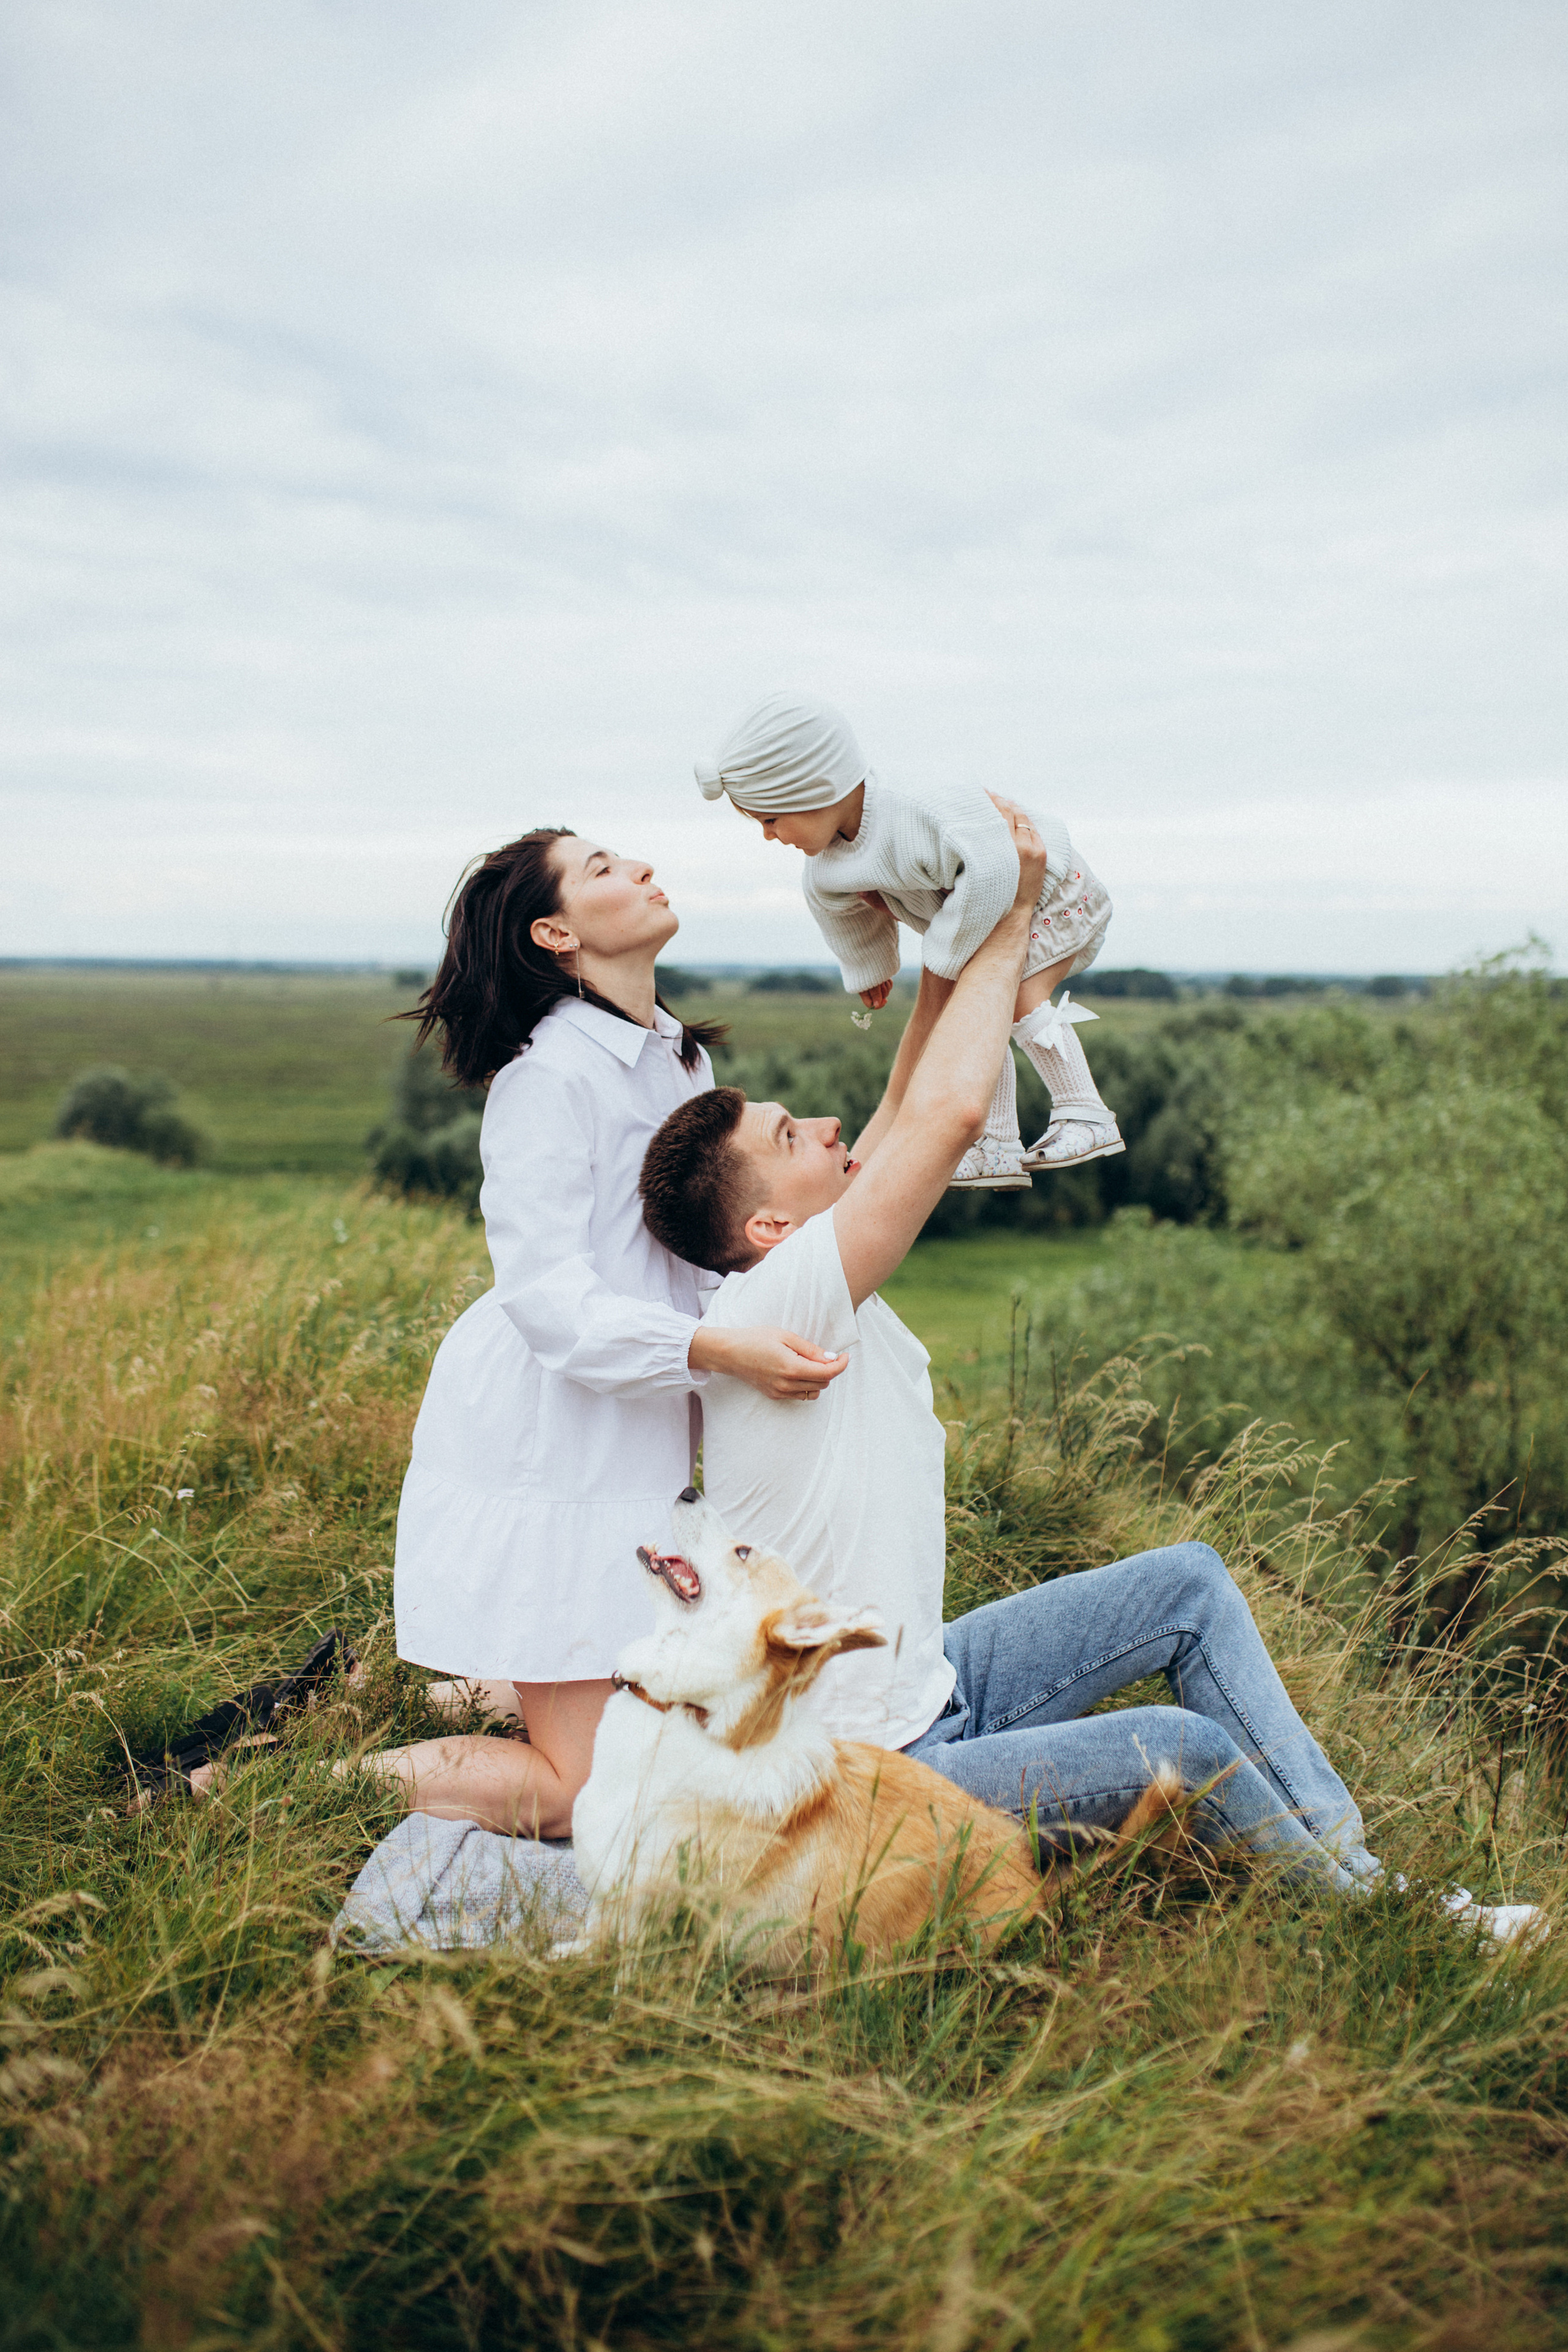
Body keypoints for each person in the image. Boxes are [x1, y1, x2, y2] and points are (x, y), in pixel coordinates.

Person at [638, 803, 1542, 1941]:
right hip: (879, 1772)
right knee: (1183, 1751)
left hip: (931, 1686)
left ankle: (1355, 1865)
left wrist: (942, 943)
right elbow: (956, 1110)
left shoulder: (792, 1276)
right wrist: (1015, 908)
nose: (822, 1124)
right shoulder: (786, 1293)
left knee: (1188, 1585)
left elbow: (908, 1102)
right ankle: (1403, 1930)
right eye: (786, 1135)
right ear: (767, 1225)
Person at [371, 826, 850, 1839]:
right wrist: (719, 1352)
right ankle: (276, 1792)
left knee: (662, 1700)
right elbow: (551, 1303)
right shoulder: (546, 1083)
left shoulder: (683, 1058)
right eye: (601, 870)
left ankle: (439, 1692)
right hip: (556, 1431)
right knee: (587, 1794)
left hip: (645, 1432)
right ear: (555, 934)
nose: (637, 868)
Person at [694, 690, 1123, 1189]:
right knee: (978, 1017)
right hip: (996, 927)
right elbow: (838, 911)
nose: (769, 835)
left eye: (770, 818)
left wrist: (942, 954)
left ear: (814, 787)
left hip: (1056, 895)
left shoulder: (922, 806)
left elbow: (995, 868)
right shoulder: (829, 864)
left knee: (1017, 1002)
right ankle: (996, 1142)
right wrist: (871, 967)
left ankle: (1085, 1113)